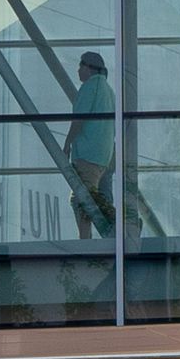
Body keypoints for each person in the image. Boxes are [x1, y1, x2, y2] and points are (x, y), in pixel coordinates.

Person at [63, 50, 115, 239]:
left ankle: (86, 241)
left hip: (87, 153)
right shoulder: (109, 92)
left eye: (80, 65)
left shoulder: (90, 87)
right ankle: (117, 226)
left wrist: (67, 143)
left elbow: (79, 118)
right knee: (97, 198)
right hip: (104, 155)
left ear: (89, 68)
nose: (78, 70)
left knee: (80, 199)